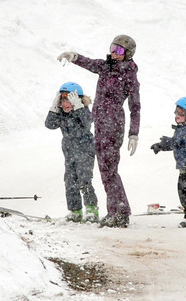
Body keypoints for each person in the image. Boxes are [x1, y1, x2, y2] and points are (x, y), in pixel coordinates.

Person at [58, 35, 140, 228]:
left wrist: (133, 133)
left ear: (127, 54)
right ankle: (119, 210)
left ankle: (118, 212)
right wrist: (74, 57)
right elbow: (89, 63)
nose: (114, 52)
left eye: (119, 50)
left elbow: (135, 107)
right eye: (113, 47)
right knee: (106, 171)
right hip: (101, 124)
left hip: (113, 125)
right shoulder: (106, 66)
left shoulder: (129, 75)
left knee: (109, 170)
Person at [45, 82, 99, 223]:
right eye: (63, 100)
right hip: (69, 153)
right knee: (70, 182)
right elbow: (50, 125)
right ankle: (75, 211)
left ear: (78, 100)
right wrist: (54, 108)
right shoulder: (62, 114)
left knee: (84, 180)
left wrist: (79, 107)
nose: (66, 103)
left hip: (85, 150)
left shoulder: (84, 111)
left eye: (69, 99)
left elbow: (87, 123)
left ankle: (92, 210)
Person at [151, 97, 186, 228]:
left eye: (181, 113)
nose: (176, 115)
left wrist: (169, 142)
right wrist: (160, 146)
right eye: (176, 111)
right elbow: (175, 144)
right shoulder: (182, 128)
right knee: (185, 192)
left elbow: (181, 143)